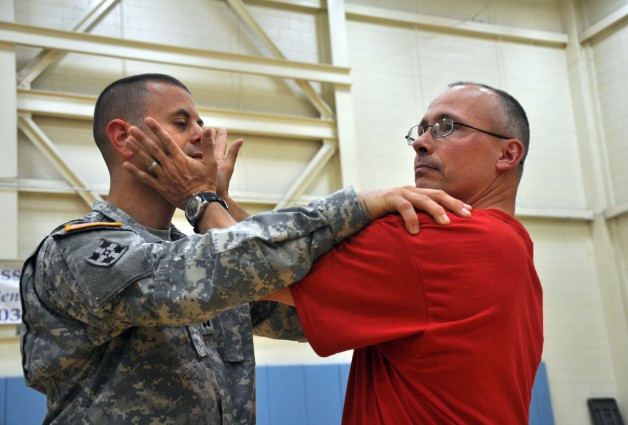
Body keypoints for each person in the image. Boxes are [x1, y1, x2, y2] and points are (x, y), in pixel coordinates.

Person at [19, 73, 471, 425]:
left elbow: (301, 307)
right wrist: (357, 206)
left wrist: (216, 204)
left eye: (199, 121)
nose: (202, 133)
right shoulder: (79, 250)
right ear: (124, 138)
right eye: (181, 123)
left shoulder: (207, 253)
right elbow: (205, 273)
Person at [260, 82, 544, 424]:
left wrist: (202, 198)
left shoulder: (436, 235)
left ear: (508, 154)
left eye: (447, 127)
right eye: (422, 130)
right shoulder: (509, 244)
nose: (421, 143)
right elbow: (277, 256)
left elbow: (256, 270)